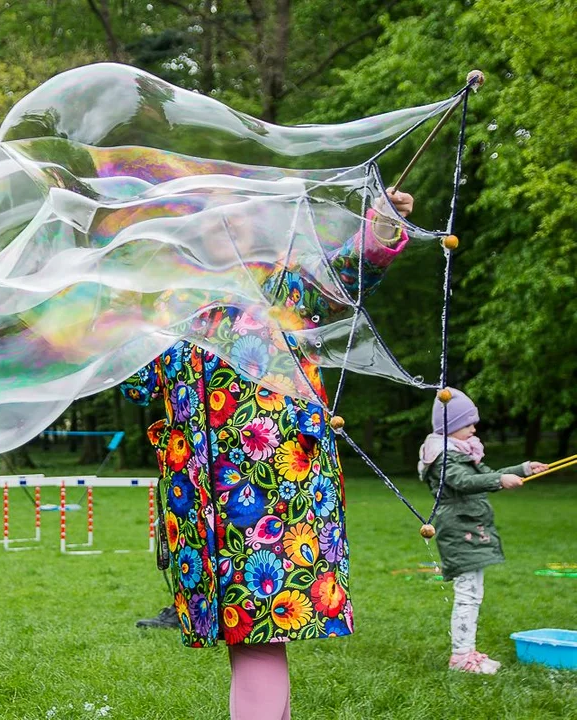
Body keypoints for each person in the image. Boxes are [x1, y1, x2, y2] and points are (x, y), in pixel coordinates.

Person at [121, 189, 414, 719]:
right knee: (247, 636)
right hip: (202, 501)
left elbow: (345, 276)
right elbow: (141, 385)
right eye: (209, 220)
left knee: (258, 628)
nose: (223, 227)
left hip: (275, 487)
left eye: (234, 218)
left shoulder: (283, 284)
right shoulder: (173, 304)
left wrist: (380, 230)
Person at [417, 389, 546, 674]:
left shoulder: (461, 451)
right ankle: (462, 657)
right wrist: (500, 480)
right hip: (458, 527)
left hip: (469, 526)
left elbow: (483, 473)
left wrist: (523, 469)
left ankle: (467, 652)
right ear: (451, 427)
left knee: (473, 591)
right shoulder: (442, 457)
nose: (474, 428)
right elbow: (463, 481)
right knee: (468, 593)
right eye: (468, 424)